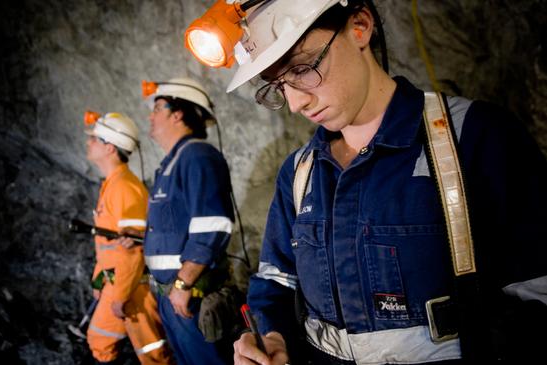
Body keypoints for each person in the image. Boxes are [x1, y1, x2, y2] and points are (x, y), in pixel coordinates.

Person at [188, 1, 547, 364]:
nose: (295, 102)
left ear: (360, 26)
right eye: (278, 86)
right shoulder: (299, 173)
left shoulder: (474, 138)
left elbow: (537, 296)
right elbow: (276, 281)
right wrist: (273, 336)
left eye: (304, 68)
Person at [137, 77, 236, 365]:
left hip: (190, 292)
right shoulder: (171, 163)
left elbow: (213, 224)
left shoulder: (197, 155)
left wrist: (183, 284)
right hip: (172, 293)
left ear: (177, 113)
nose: (150, 116)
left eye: (157, 108)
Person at [83, 111, 173, 365]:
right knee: (150, 353)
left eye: (94, 139)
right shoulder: (113, 184)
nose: (88, 142)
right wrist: (99, 281)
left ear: (109, 147)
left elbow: (133, 250)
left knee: (142, 351)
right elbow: (108, 246)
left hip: (131, 286)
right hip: (118, 282)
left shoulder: (124, 188)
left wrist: (120, 295)